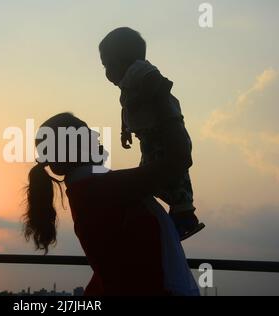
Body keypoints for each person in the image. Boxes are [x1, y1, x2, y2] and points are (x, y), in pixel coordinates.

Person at [22, 112, 199, 296]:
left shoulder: (91, 190)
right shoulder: (103, 188)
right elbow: (180, 159)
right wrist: (168, 111)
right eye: (87, 132)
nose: (96, 136)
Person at [99, 27, 205, 240]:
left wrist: (141, 99)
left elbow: (162, 84)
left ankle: (184, 216)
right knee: (155, 176)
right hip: (149, 138)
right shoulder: (128, 83)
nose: (107, 72)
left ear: (123, 59)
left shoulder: (139, 70)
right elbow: (126, 109)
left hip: (162, 135)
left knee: (172, 177)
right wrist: (124, 130)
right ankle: (175, 216)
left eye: (108, 64)